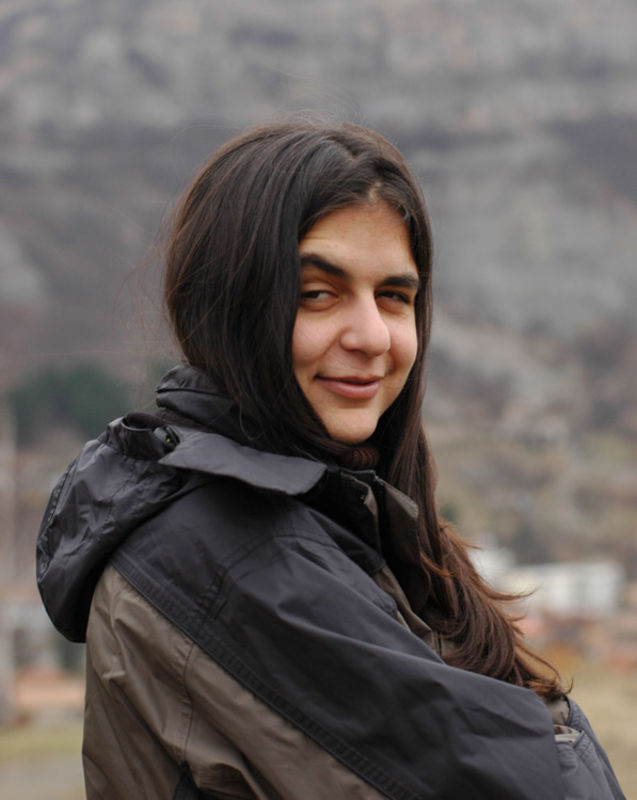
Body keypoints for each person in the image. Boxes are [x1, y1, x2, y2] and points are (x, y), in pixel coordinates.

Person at [37, 119, 624, 799]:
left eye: (394, 297)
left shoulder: (313, 512)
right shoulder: (232, 551)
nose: (373, 336)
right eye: (318, 293)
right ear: (227, 305)